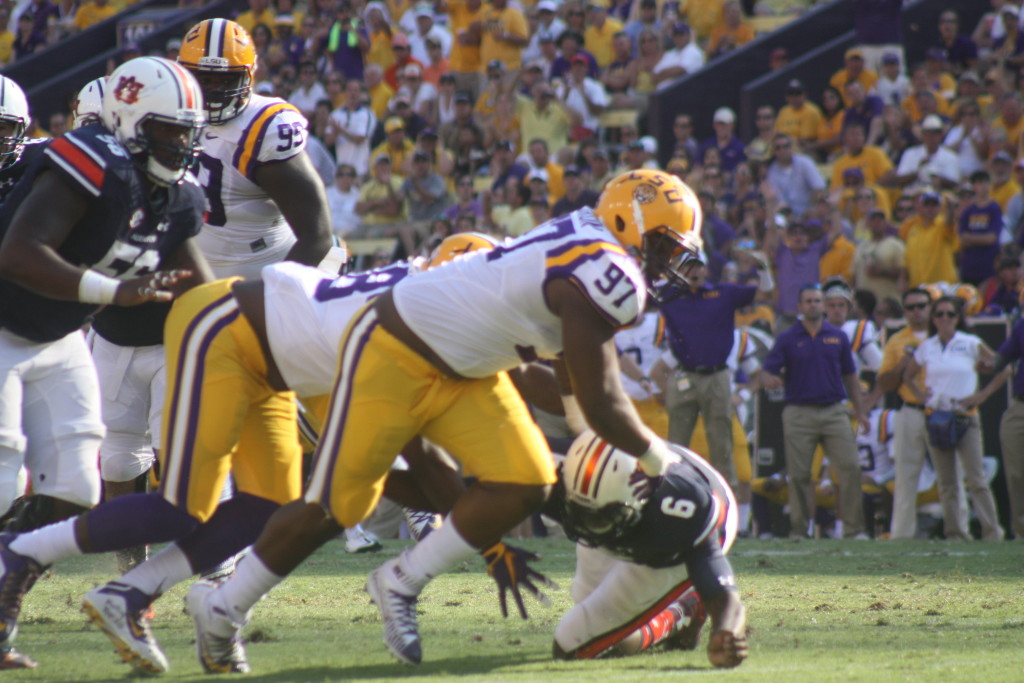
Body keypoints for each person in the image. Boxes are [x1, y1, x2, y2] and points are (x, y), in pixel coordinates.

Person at [183, 169, 708, 670]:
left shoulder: (586, 241)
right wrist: (660, 462)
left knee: (525, 481)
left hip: (465, 369)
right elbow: (604, 400)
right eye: (663, 247)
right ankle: (224, 607)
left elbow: (575, 363)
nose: (667, 265)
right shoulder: (606, 271)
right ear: (626, 225)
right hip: (395, 349)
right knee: (338, 505)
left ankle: (399, 583)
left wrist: (589, 437)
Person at [0, 56, 211, 670]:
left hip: (55, 336)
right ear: (128, 120)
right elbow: (16, 252)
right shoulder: (92, 160)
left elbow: (204, 291)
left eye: (186, 130)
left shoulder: (173, 196)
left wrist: (272, 329)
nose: (181, 142)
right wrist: (113, 292)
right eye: (168, 129)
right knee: (4, 477)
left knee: (76, 487)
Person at [548, 431, 747, 668]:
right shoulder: (551, 465)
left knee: (572, 642)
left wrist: (726, 631)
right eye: (583, 515)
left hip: (673, 540)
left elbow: (723, 593)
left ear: (637, 499)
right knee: (595, 613)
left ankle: (683, 611)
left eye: (602, 519)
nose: (593, 530)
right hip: (620, 497)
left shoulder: (681, 513)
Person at [178, 18, 334, 280]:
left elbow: (317, 236)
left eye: (225, 80)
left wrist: (269, 297)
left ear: (248, 75)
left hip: (270, 272)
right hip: (201, 278)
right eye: (203, 78)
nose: (213, 91)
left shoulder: (263, 127)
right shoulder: (170, 113)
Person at [761, 285, 869, 539]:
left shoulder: (838, 336)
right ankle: (800, 529)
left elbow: (851, 376)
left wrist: (860, 411)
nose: (813, 305)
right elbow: (767, 369)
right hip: (799, 411)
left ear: (823, 305)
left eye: (817, 301)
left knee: (851, 467)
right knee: (799, 474)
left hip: (834, 410)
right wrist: (768, 379)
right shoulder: (787, 338)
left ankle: (854, 530)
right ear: (800, 307)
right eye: (808, 301)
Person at [660, 259, 773, 489]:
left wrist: (763, 268)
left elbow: (764, 294)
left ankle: (724, 495)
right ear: (679, 271)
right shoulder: (669, 294)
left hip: (717, 376)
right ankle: (670, 489)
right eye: (687, 267)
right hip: (684, 374)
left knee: (721, 442)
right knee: (676, 442)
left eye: (697, 265)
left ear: (705, 268)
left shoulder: (723, 292)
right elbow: (638, 292)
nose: (693, 271)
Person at [903, 296, 1004, 541]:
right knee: (947, 481)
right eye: (940, 314)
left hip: (964, 416)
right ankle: (955, 532)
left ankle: (992, 532)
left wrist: (982, 395)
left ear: (958, 318)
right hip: (937, 416)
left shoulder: (970, 342)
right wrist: (920, 394)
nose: (945, 318)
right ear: (934, 319)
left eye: (950, 314)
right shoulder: (928, 346)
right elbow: (907, 376)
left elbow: (1003, 367)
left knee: (976, 478)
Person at [986, 316, 1024, 540]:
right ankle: (1021, 533)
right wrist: (988, 364)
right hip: (1020, 404)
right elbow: (1002, 358)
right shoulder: (1022, 324)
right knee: (1017, 473)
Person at [822, 279, 882, 377]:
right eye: (832, 305)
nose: (836, 310)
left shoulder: (857, 329)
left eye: (841, 305)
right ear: (824, 307)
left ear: (848, 306)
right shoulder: (815, 331)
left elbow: (879, 365)